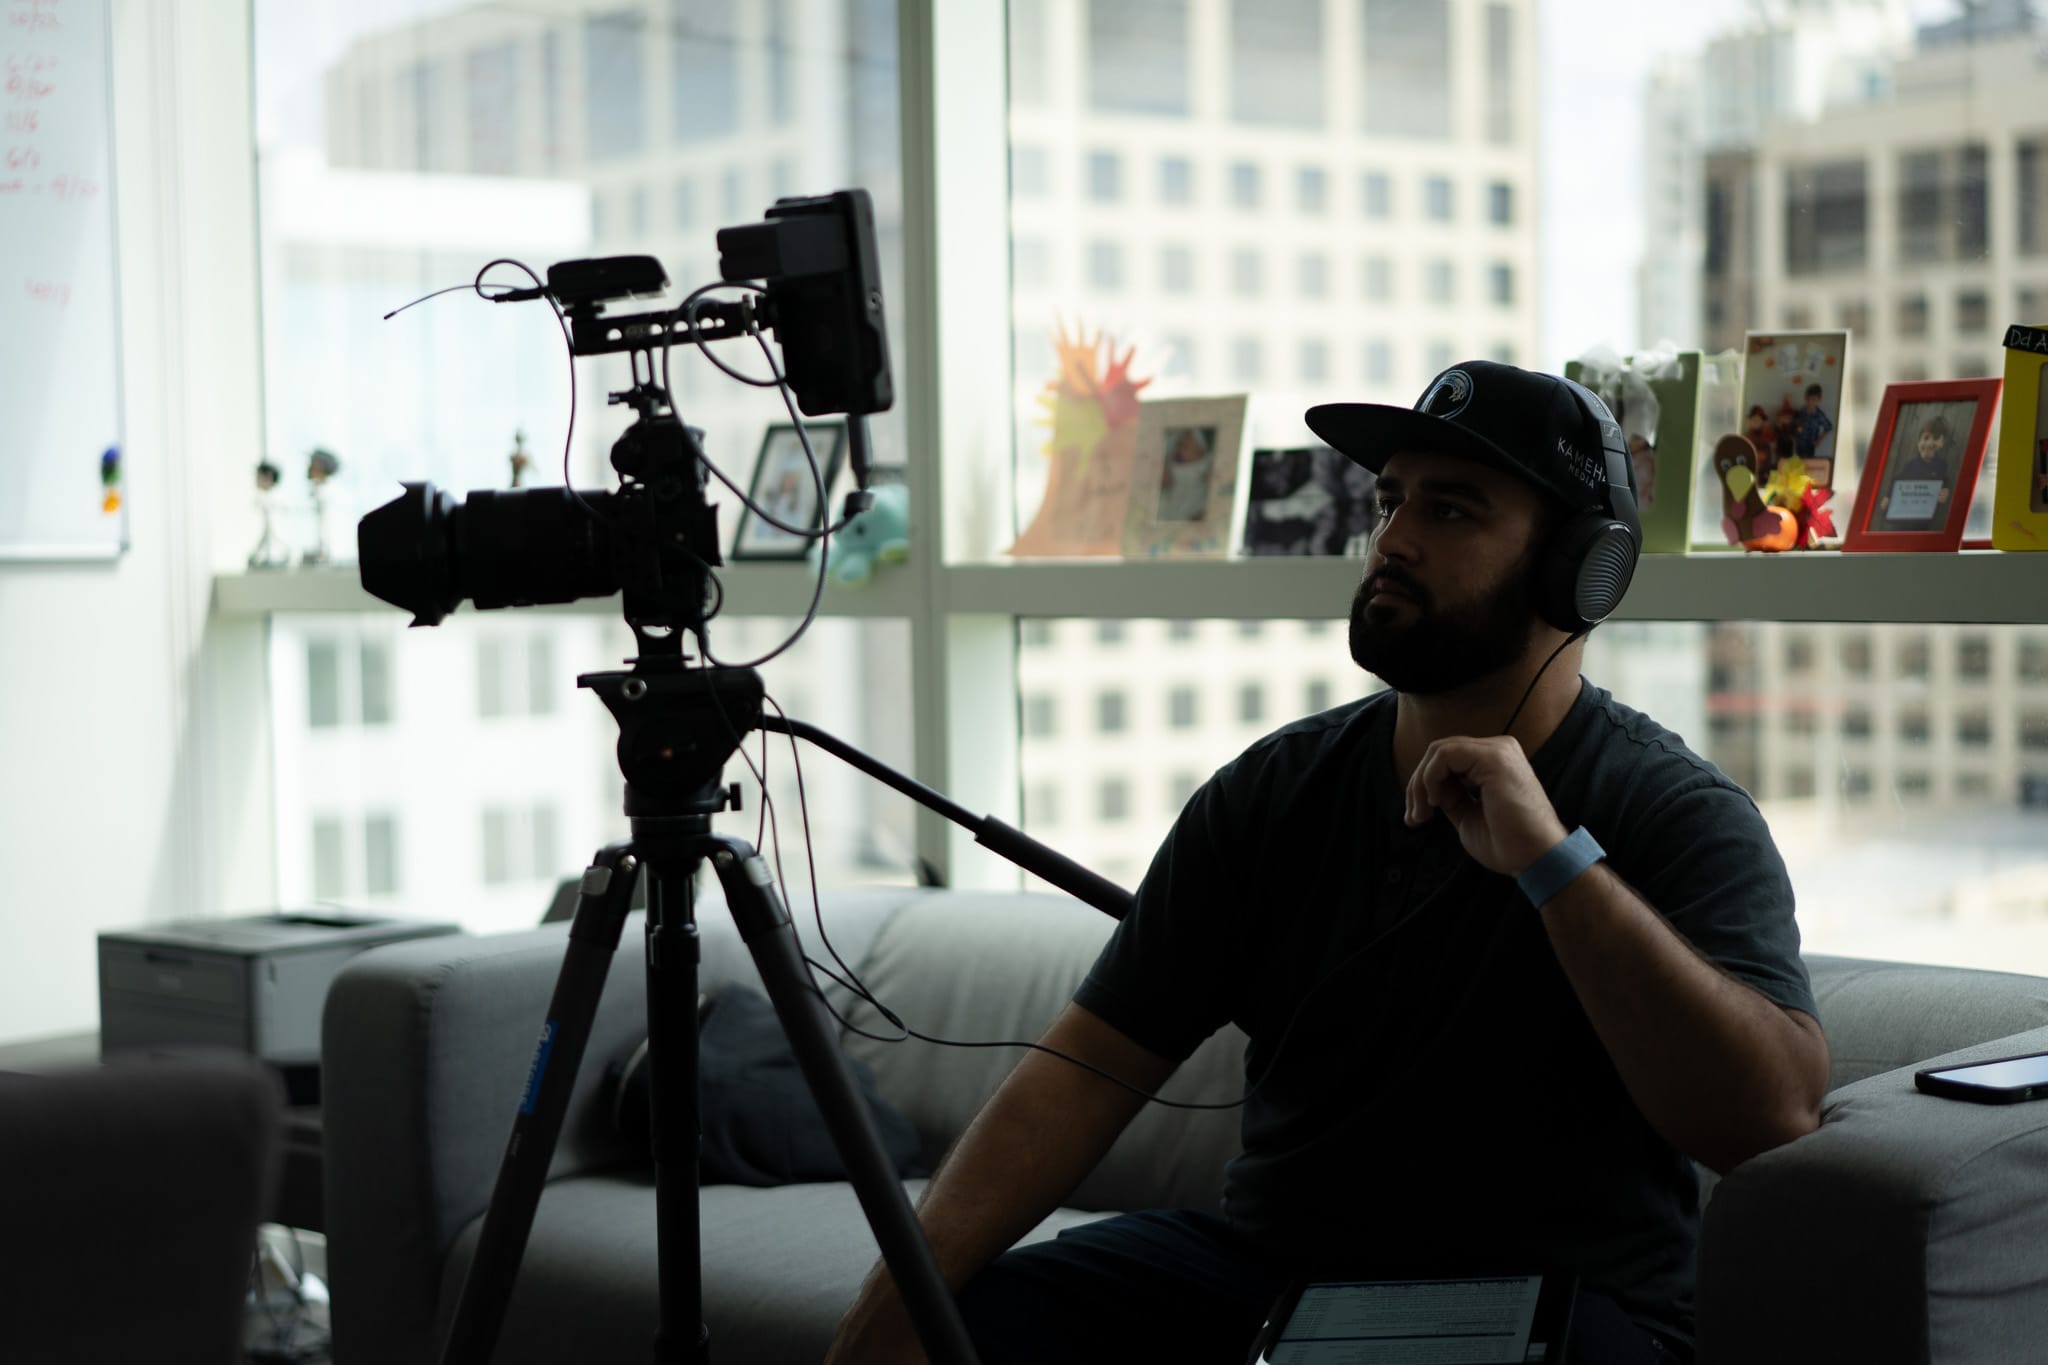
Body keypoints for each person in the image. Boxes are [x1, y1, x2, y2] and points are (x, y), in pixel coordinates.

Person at [825, 361, 1828, 1365]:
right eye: (1389, 500)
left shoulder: (1672, 810)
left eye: (1450, 510)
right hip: (1270, 1274)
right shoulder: (1270, 791)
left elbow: (1766, 1115)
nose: (1391, 539)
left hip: (1547, 1307)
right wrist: (905, 1291)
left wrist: (1552, 865)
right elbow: (1085, 1071)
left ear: (1581, 567)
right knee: (968, 1324)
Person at [1878, 412, 1953, 532]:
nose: (1929, 443)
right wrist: (1888, 498)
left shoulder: (1941, 466)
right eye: (1926, 438)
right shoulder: (1911, 466)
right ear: (1919, 442)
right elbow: (1896, 483)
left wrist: (1945, 492)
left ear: (1942, 443)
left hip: (1923, 522)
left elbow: (1945, 482)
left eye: (1935, 438)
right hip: (1902, 524)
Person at [1792, 383, 1834, 461]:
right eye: (1808, 399)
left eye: (1814, 400)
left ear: (1819, 400)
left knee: (1808, 463)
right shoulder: (1801, 412)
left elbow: (1829, 427)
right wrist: (1796, 430)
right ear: (1805, 398)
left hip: (1810, 445)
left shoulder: (1819, 415)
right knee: (1798, 463)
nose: (1810, 402)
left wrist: (1819, 440)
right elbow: (1795, 424)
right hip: (1799, 444)